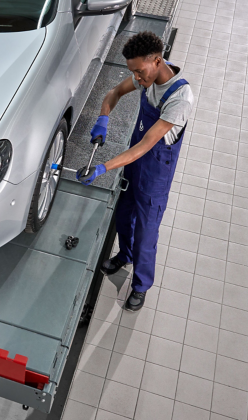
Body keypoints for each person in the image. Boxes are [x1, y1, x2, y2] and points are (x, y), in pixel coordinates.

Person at [76, 31, 194, 311]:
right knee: (125, 214)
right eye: (134, 73)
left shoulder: (180, 97)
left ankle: (141, 285)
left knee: (146, 231)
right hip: (134, 163)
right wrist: (104, 116)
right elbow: (114, 92)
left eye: (140, 72)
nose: (138, 79)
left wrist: (102, 167)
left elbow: (146, 145)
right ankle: (125, 255)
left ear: (157, 60)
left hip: (155, 171)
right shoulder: (146, 75)